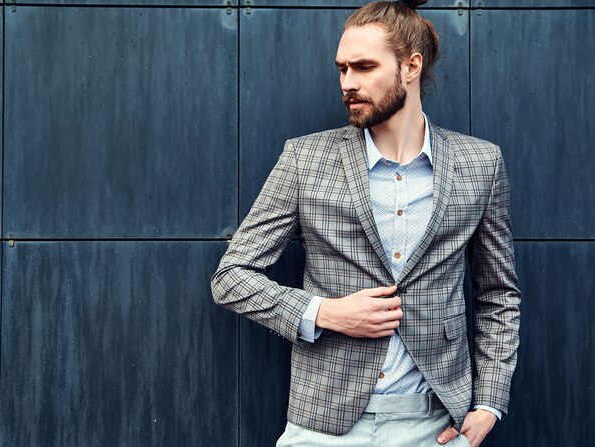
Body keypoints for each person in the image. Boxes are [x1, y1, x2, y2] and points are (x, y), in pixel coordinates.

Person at [211, 1, 520, 445]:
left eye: (364, 67)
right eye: (342, 69)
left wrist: (490, 402)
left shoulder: (480, 164)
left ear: (410, 66)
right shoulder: (305, 159)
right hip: (321, 426)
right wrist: (326, 312)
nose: (348, 84)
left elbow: (498, 293)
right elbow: (230, 278)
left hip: (436, 425)